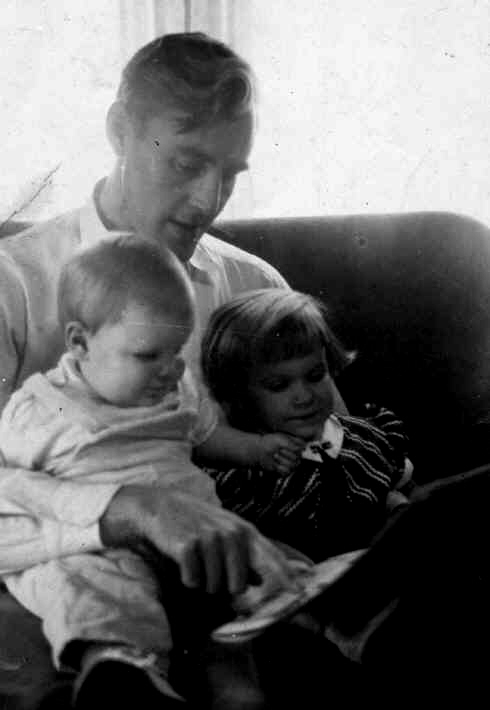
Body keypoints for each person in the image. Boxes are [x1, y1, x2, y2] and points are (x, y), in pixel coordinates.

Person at [0, 31, 350, 653]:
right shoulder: (12, 286)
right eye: (187, 164)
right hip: (74, 606)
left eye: (230, 173)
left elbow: (338, 446)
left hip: (242, 593)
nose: (209, 201)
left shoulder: (252, 283)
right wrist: (129, 510)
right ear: (118, 132)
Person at [0, 237, 312, 708]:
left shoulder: (173, 388)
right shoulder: (47, 404)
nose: (170, 370)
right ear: (80, 342)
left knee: (275, 564)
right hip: (107, 548)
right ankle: (123, 671)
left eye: (177, 349)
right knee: (91, 588)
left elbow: (205, 434)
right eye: (149, 355)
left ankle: (315, 617)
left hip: (198, 538)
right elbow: (16, 487)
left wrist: (258, 449)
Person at [200, 288, 415, 562]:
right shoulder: (240, 473)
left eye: (315, 375)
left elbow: (401, 494)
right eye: (279, 385)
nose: (304, 397)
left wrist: (398, 508)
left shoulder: (364, 438)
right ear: (239, 395)